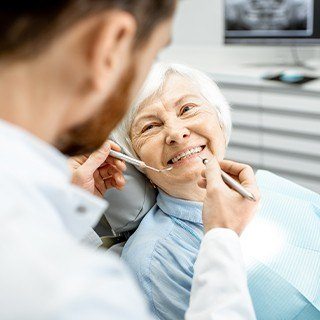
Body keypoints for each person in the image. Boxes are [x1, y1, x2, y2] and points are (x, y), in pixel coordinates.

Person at [0, 2, 259, 319]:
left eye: (188, 109)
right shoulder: (92, 286)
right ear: (112, 44)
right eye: (154, 54)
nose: (176, 132)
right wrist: (221, 238)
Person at [112, 62, 320, 320]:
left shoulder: (269, 185)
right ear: (136, 159)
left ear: (219, 119)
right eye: (150, 127)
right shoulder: (156, 260)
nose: (176, 133)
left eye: (187, 109)